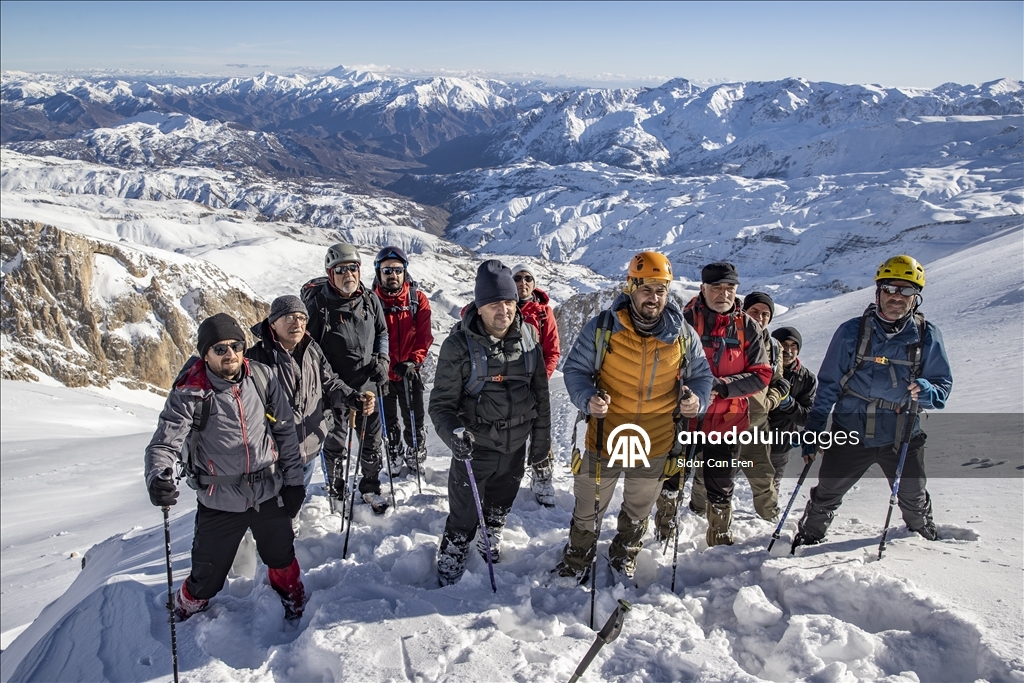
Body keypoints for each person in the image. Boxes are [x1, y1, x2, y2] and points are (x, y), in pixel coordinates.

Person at [556, 251, 713, 581]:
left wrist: (696, 399)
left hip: (655, 441)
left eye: (661, 291)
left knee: (639, 507)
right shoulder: (603, 328)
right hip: (605, 435)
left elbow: (702, 375)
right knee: (589, 507)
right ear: (630, 287)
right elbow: (576, 371)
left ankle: (624, 551)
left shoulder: (683, 336)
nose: (653, 299)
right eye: (646, 290)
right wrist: (587, 398)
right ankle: (578, 556)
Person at [145, 313, 307, 620]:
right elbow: (165, 443)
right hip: (219, 499)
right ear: (205, 354)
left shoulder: (262, 378)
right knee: (208, 573)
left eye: (236, 345)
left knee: (282, 556)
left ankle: (293, 599)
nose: (230, 353)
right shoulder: (191, 392)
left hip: (267, 490)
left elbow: (285, 432)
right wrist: (157, 475)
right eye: (220, 349)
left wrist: (294, 482)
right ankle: (188, 606)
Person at [793, 255, 952, 548]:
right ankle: (807, 538)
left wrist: (928, 390)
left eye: (906, 291)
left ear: (915, 297)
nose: (896, 297)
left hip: (902, 434)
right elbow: (828, 385)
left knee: (913, 496)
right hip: (851, 431)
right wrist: (814, 429)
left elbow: (942, 384)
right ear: (878, 292)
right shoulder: (852, 332)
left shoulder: (927, 336)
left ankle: (925, 542)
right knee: (828, 492)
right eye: (890, 289)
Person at [429, 260, 551, 586]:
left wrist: (541, 443)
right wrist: (455, 434)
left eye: (510, 301)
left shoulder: (529, 338)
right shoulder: (458, 346)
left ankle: (491, 534)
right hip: (475, 447)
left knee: (501, 501)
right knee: (465, 510)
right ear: (479, 307)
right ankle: (455, 547)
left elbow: (540, 393)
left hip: (515, 446)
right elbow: (441, 405)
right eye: (495, 303)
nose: (504, 309)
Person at [656, 263, 773, 547]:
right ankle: (664, 529)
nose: (724, 294)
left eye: (730, 288)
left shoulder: (748, 326)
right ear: (703, 288)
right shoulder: (682, 322)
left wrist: (720, 386)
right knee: (672, 479)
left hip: (727, 422)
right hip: (684, 420)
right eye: (717, 288)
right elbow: (661, 367)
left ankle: (720, 538)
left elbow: (762, 373)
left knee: (721, 485)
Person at [246, 296, 372, 493]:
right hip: (274, 455)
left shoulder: (311, 349)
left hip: (308, 449)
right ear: (273, 323)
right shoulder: (256, 358)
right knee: (274, 510)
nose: (297, 323)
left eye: (301, 318)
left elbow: (330, 381)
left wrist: (351, 397)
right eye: (289, 317)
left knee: (296, 500)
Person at [303, 243, 391, 514]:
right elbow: (310, 350)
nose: (348, 274)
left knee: (371, 439)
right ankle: (336, 487)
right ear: (330, 274)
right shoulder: (318, 306)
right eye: (340, 270)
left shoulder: (369, 299)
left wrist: (383, 360)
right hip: (335, 389)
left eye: (352, 268)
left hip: (368, 386)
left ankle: (370, 486)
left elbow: (382, 333)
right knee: (336, 440)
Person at [373, 246, 433, 475]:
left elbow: (424, 336)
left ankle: (416, 451)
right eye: (387, 270)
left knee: (414, 418)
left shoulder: (416, 299)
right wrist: (384, 366)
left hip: (409, 372)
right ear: (379, 273)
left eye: (397, 270)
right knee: (389, 422)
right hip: (382, 375)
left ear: (405, 272)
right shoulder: (371, 302)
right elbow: (369, 339)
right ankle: (394, 452)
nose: (393, 275)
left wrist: (413, 362)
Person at [510, 263, 562, 507]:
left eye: (528, 278)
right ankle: (507, 475)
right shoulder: (503, 306)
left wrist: (543, 377)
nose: (523, 283)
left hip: (536, 382)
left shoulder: (543, 312)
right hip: (508, 383)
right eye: (517, 278)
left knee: (541, 430)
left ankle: (542, 476)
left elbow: (552, 350)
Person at [767, 326, 817, 491]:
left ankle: (768, 516)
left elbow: (806, 417)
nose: (788, 350)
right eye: (783, 344)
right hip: (746, 439)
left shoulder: (807, 379)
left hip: (779, 444)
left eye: (793, 346)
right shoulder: (759, 369)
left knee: (770, 489)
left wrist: (787, 403)